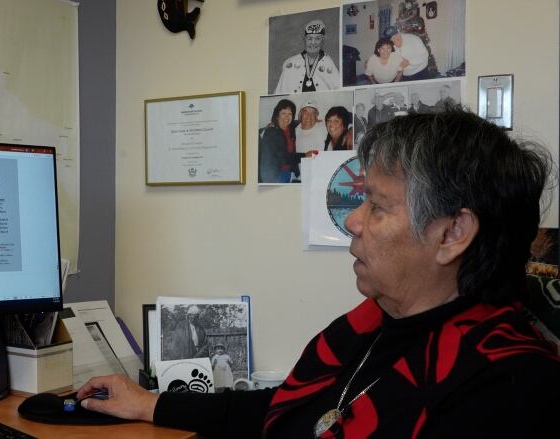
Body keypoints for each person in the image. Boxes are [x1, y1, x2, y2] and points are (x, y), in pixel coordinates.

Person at [75, 110, 560, 438]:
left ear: (454, 232)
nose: (353, 220)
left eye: (377, 206)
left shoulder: (512, 387)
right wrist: (148, 404)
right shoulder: (366, 329)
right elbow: (284, 409)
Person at [274, 19, 340, 94]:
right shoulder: (290, 63)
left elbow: (338, 93)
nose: (313, 43)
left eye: (317, 38)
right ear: (304, 40)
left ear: (323, 42)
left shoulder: (328, 63)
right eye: (309, 38)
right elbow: (280, 94)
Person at [258, 99, 298, 183]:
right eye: (283, 113)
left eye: (290, 114)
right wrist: (305, 155)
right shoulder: (272, 132)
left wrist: (314, 120)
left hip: (289, 173)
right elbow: (284, 157)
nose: (287, 117)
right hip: (275, 176)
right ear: (277, 115)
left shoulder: (291, 128)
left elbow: (298, 122)